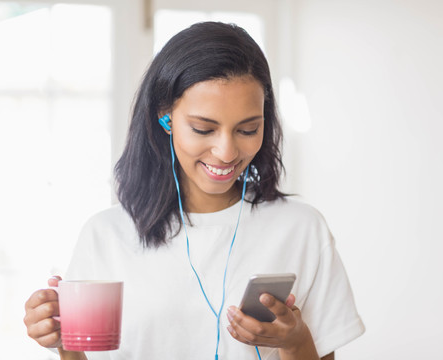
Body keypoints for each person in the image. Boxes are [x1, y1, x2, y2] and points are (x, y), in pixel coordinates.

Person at [24, 21, 365, 360]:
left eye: (248, 129)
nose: (227, 152)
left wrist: (294, 340)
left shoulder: (301, 228)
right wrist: (63, 343)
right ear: (165, 117)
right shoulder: (107, 235)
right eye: (204, 129)